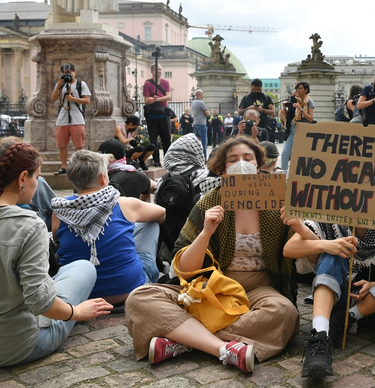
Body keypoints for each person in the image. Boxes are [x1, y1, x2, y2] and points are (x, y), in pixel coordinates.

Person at [125, 136, 299, 370]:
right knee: (139, 298)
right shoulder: (208, 202)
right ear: (223, 169)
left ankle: (185, 340)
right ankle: (223, 348)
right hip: (209, 289)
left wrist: (297, 223)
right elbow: (184, 268)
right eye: (233, 159)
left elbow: (301, 253)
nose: (241, 164)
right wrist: (206, 232)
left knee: (285, 313)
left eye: (248, 158)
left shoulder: (278, 201)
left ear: (258, 166)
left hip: (259, 291)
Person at [0, 142, 113, 368]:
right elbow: (40, 302)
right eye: (37, 177)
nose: (37, 185)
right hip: (15, 346)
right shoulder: (28, 225)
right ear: (22, 179)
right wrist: (76, 312)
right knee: (84, 268)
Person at [287, 219, 375, 378]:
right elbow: (289, 248)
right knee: (333, 254)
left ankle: (349, 317)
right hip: (340, 298)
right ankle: (319, 336)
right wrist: (327, 245)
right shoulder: (330, 215)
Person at [53, 150, 163, 304]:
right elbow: (161, 213)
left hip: (82, 294)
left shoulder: (60, 210)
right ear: (102, 179)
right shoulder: (123, 203)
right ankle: (152, 273)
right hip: (129, 291)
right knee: (150, 224)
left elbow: (57, 238)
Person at [50, 62, 91, 174]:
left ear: (74, 72)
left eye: (70, 72)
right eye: (65, 73)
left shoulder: (81, 84)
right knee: (62, 144)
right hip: (62, 118)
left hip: (77, 117)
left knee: (79, 144)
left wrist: (73, 99)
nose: (68, 75)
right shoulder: (61, 84)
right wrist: (58, 86)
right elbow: (53, 98)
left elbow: (87, 100)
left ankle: (78, 166)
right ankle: (64, 166)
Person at [280, 81, 314, 171]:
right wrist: (284, 107)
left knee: (303, 153)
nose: (298, 90)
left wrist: (301, 109)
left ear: (306, 90)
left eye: (300, 88)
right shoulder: (294, 100)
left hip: (304, 129)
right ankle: (284, 173)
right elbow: (287, 116)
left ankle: (302, 173)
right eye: (297, 88)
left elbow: (311, 118)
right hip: (292, 127)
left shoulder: (309, 102)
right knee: (285, 153)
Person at [144, 63, 172, 167]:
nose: (159, 71)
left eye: (160, 69)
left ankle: (168, 159)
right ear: (152, 71)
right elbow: (147, 100)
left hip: (163, 112)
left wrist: (157, 99)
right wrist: (152, 100)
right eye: (157, 69)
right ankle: (156, 159)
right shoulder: (147, 83)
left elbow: (168, 96)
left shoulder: (165, 82)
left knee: (166, 138)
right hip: (152, 114)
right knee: (153, 138)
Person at [191, 89, 210, 159]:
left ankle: (197, 157)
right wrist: (208, 112)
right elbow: (207, 114)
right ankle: (204, 157)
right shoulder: (201, 103)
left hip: (195, 123)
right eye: (202, 94)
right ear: (200, 94)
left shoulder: (193, 102)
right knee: (203, 142)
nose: (203, 95)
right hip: (201, 124)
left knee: (197, 142)